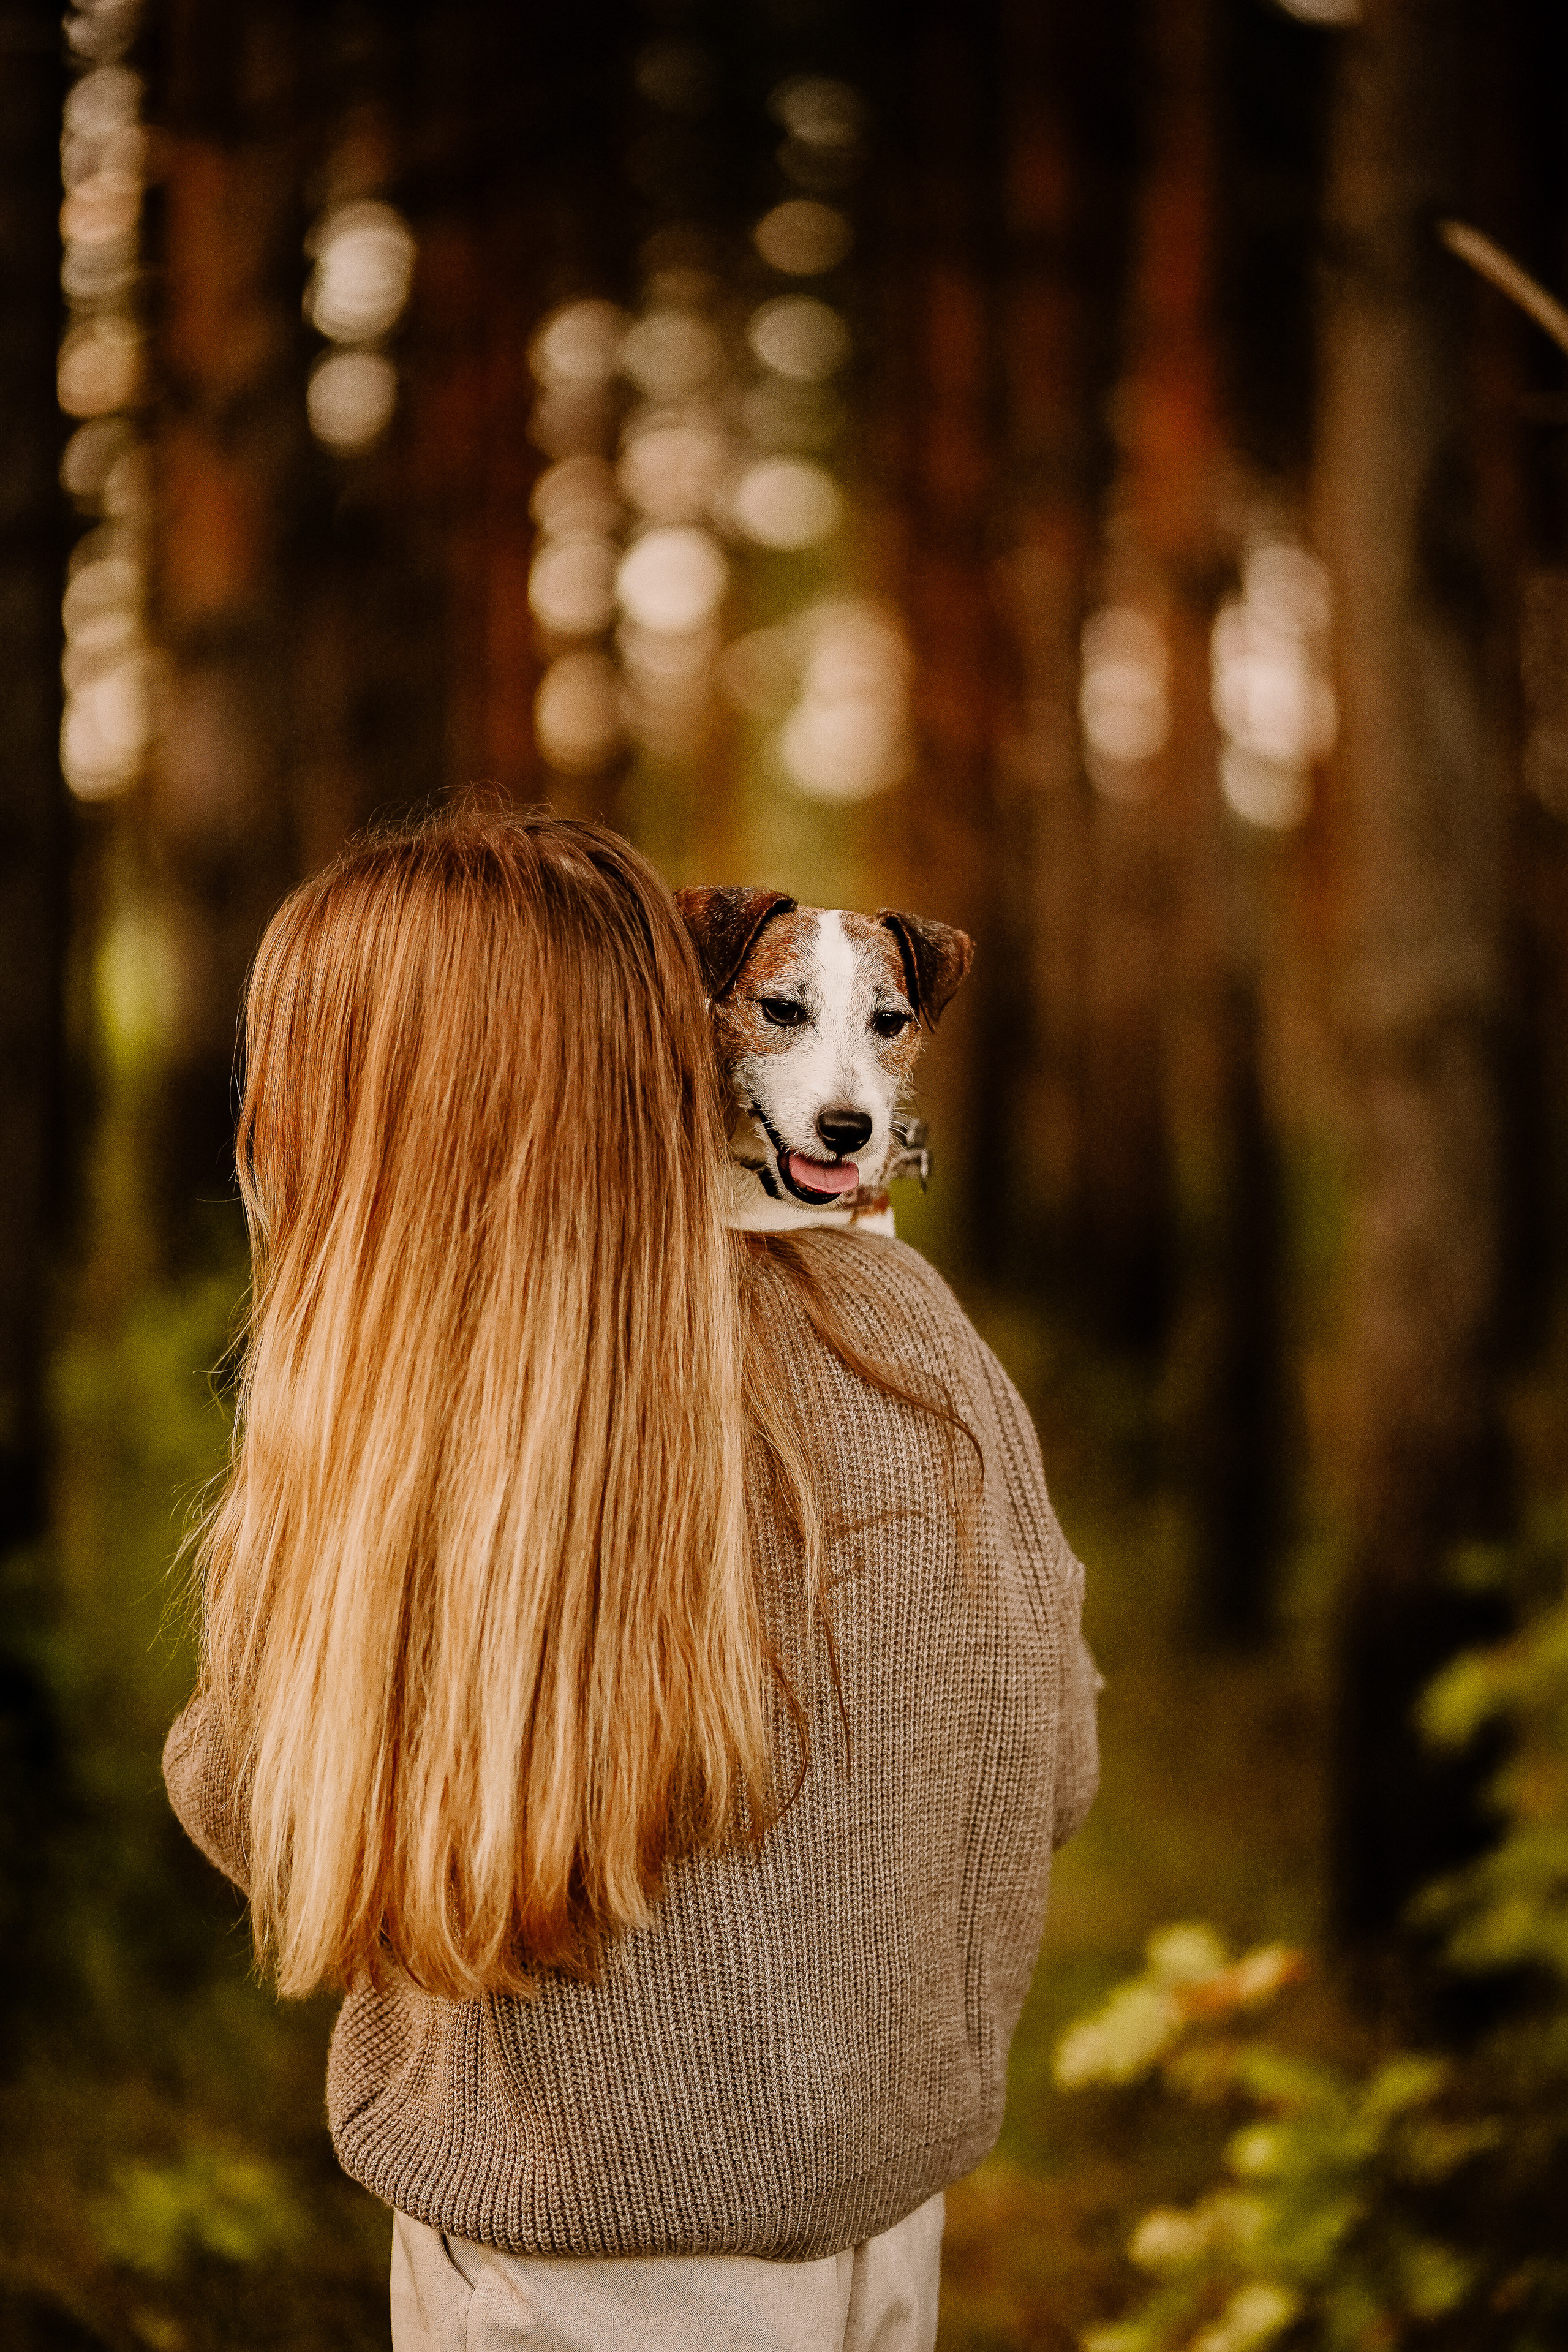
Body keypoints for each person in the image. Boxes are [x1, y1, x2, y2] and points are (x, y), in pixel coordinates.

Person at [162, 807, 1099, 2352]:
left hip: (565, 2273)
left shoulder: (424, 1426)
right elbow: (1045, 1758)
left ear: (390, 1120)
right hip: (883, 2240)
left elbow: (267, 1810)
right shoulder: (915, 1338)